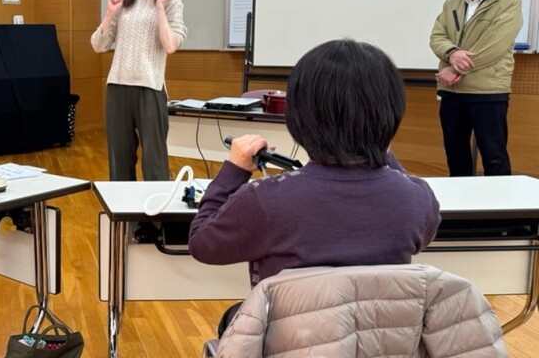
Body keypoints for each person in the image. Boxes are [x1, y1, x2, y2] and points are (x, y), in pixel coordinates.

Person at [188, 39, 441, 337]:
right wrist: (381, 150)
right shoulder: (417, 198)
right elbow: (422, 235)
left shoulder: (267, 199)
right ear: (391, 113)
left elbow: (203, 244)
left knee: (234, 318)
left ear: (299, 117)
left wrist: (234, 169)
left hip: (289, 357)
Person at [91, 0, 187, 182]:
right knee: (119, 160)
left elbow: (170, 45)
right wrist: (110, 13)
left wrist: (160, 9)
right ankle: (126, 219)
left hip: (150, 88)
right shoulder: (121, 3)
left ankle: (157, 220)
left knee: (154, 162)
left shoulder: (172, 3)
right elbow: (98, 45)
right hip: (118, 87)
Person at [429, 0, 522, 176]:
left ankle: (499, 210)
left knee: (494, 157)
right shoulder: (452, 2)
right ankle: (462, 209)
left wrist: (454, 69)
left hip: (487, 92)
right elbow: (437, 37)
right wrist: (451, 53)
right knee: (455, 155)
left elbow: (493, 47)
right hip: (451, 92)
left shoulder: (509, 3)